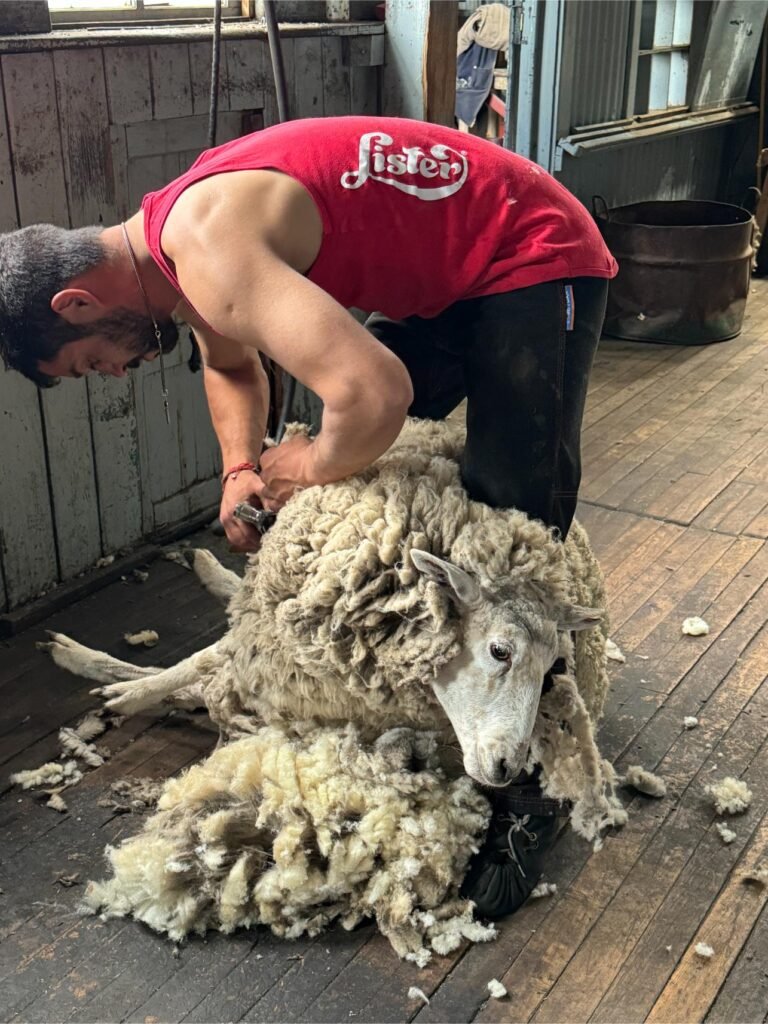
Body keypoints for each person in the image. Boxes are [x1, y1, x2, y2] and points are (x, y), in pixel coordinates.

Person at [0, 116, 617, 917]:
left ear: (78, 301)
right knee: (367, 487)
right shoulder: (175, 249)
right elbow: (228, 363)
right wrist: (239, 470)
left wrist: (310, 461)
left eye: (92, 362)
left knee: (511, 506)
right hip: (454, 272)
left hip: (535, 252)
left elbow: (375, 393)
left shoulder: (212, 254)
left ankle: (523, 792)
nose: (115, 373)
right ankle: (398, 686)